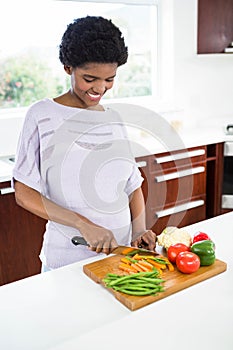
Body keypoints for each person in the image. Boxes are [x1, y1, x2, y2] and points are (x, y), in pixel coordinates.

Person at [12, 16, 157, 271]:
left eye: (109, 79)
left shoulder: (113, 118)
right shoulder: (42, 114)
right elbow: (24, 193)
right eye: (90, 79)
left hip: (121, 261)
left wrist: (140, 229)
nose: (100, 88)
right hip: (68, 262)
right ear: (68, 67)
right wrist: (82, 224)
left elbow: (132, 185)